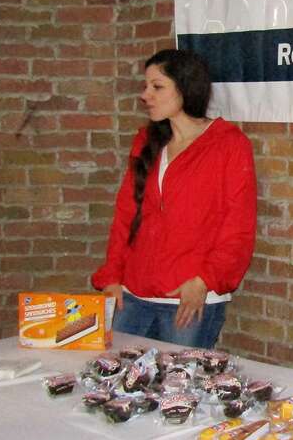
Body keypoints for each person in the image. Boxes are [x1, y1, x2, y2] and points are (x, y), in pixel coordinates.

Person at [92, 49, 257, 348]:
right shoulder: (146, 141)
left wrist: (204, 281)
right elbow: (125, 215)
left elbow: (238, 227)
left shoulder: (229, 145)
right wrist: (112, 276)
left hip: (189, 297)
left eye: (157, 86)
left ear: (185, 87)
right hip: (133, 295)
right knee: (119, 387)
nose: (146, 95)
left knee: (179, 390)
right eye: (146, 86)